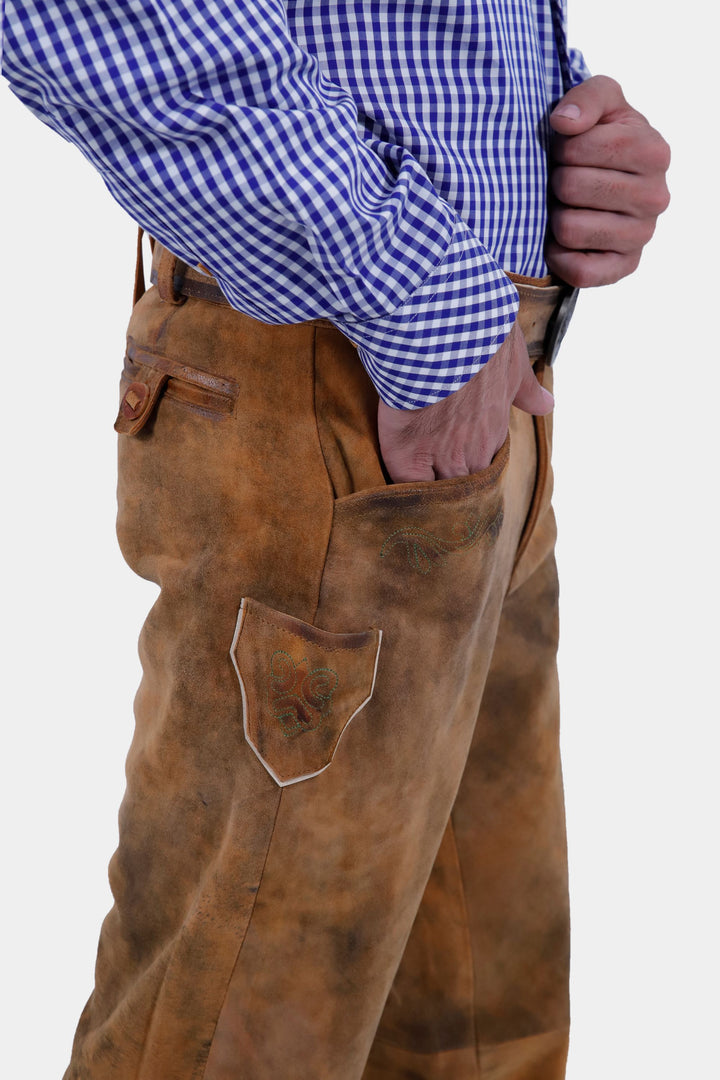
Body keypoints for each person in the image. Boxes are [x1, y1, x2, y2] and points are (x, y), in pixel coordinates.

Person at [1, 3, 669, 1078]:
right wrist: (424, 294)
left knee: (479, 1033)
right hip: (339, 390)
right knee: (240, 1044)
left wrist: (551, 136)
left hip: (473, 389)